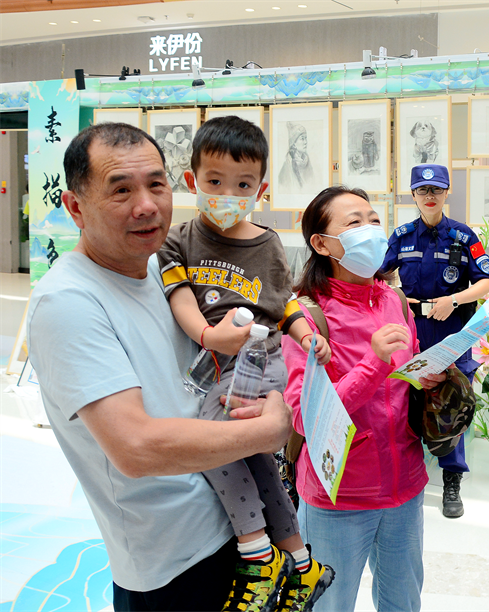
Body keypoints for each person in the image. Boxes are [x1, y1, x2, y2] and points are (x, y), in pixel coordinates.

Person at [26, 122, 293, 611]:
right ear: (75, 208)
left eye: (156, 183)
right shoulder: (69, 301)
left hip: (231, 524)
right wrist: (267, 432)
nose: (146, 204)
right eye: (121, 189)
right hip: (172, 561)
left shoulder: (159, 266)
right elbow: (136, 447)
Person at [156, 116, 333, 612]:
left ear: (261, 188)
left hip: (261, 360)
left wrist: (306, 334)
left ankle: (256, 553)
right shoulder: (178, 241)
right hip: (219, 359)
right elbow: (181, 299)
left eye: (242, 185)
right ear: (192, 181)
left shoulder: (267, 243)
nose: (226, 193)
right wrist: (211, 336)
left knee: (214, 439)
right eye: (214, 182)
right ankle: (301, 562)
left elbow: (284, 305)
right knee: (257, 462)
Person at [282, 185, 443, 612]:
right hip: (339, 497)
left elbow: (404, 381)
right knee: (328, 605)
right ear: (321, 243)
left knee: (403, 602)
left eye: (373, 220)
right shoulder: (307, 316)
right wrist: (372, 364)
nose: (371, 230)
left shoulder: (395, 301)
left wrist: (430, 378)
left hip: (405, 487)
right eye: (354, 222)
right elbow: (303, 418)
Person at [380, 164, 489, 519]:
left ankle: (451, 481)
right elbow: (379, 277)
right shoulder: (401, 236)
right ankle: (406, 474)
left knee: (450, 406)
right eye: (422, 191)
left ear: (447, 193)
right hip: (412, 331)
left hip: (452, 333)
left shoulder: (463, 236)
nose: (429, 197)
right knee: (405, 404)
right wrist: (397, 295)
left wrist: (456, 299)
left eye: (436, 190)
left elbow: (487, 282)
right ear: (413, 195)